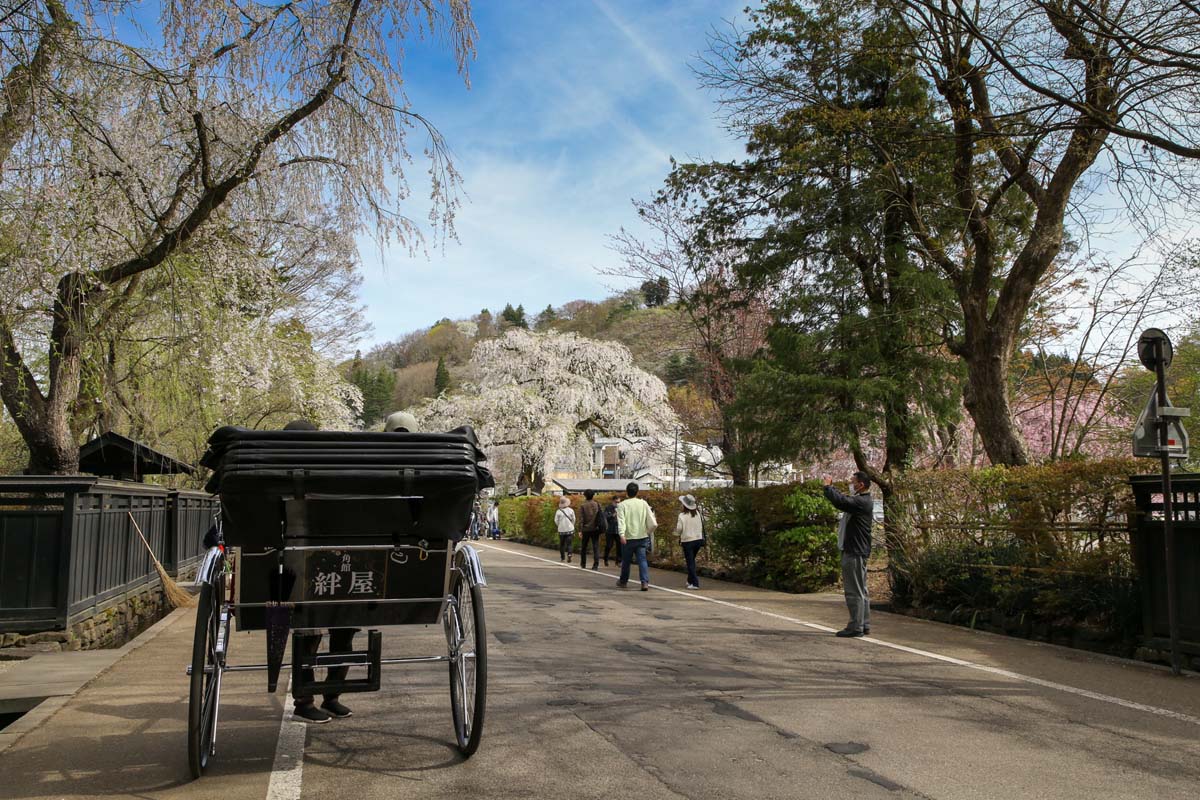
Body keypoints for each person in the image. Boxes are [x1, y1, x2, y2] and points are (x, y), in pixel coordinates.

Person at [282, 418, 357, 723]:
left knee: (344, 625)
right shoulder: (275, 477)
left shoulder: (328, 477)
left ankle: (332, 694)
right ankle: (305, 699)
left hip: (330, 561)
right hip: (296, 566)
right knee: (309, 630)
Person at [823, 471, 874, 638]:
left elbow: (841, 501)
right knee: (861, 589)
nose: (851, 484)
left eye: (853, 482)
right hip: (858, 550)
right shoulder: (862, 500)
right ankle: (863, 623)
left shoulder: (861, 502)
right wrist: (832, 488)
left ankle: (856, 626)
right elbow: (844, 499)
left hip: (854, 551)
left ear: (861, 485)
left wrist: (828, 487)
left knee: (854, 591)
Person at [616, 482, 656, 591]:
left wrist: (622, 534)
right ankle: (644, 582)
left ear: (627, 492)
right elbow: (652, 522)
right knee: (642, 560)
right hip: (642, 536)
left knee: (626, 561)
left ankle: (623, 581)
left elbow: (621, 521)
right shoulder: (643, 504)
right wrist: (648, 531)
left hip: (628, 537)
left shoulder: (622, 505)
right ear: (637, 492)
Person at [675, 494, 704, 590]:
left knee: (690, 562)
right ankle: (690, 580)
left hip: (688, 541)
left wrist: (675, 533)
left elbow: (679, 529)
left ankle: (695, 583)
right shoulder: (697, 514)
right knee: (691, 561)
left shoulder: (682, 516)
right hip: (698, 540)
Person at [577, 489, 604, 570]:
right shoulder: (597, 504)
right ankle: (595, 565)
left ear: (585, 496)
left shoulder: (583, 505)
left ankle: (583, 563)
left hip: (586, 529)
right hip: (596, 528)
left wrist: (580, 530)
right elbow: (600, 516)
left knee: (584, 547)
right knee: (595, 546)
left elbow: (581, 519)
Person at [554, 496, 576, 562]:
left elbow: (556, 520)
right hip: (570, 529)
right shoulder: (571, 510)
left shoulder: (558, 511)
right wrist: (572, 525)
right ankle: (569, 554)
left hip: (561, 530)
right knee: (569, 544)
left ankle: (562, 557)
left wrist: (559, 525)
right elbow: (574, 519)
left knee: (562, 544)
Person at [602, 495, 621, 566]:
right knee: (609, 545)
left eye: (619, 502)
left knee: (619, 545)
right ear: (613, 501)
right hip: (610, 529)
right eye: (616, 502)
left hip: (618, 529)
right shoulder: (608, 508)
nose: (617, 504)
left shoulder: (621, 508)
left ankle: (618, 561)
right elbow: (605, 516)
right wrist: (612, 515)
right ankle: (606, 558)